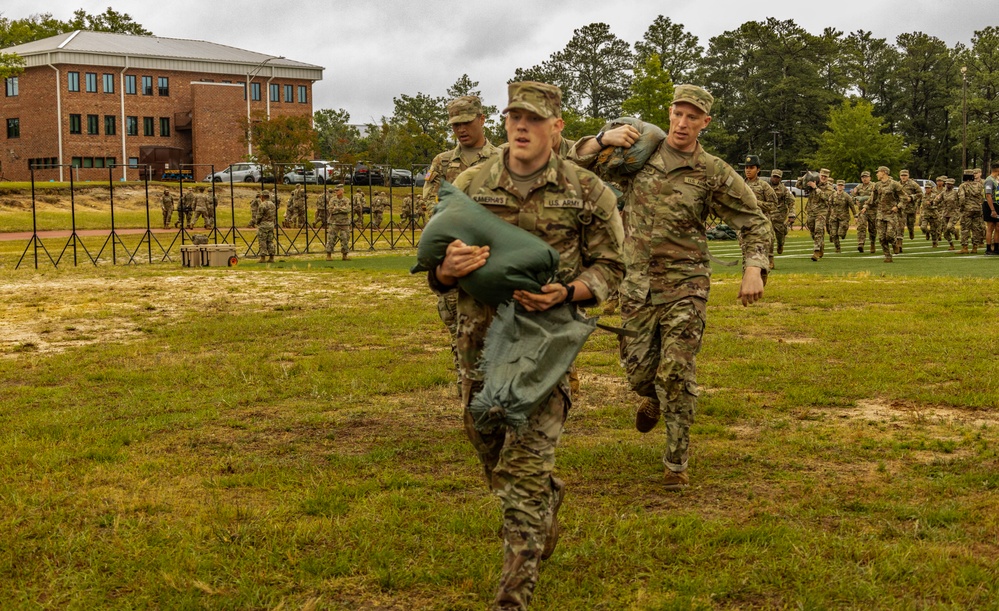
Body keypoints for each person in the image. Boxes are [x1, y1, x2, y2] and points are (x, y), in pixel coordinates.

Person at [432, 81, 624, 610]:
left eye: (534, 119)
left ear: (557, 128)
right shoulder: (470, 183)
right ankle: (547, 497)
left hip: (545, 356)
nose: (521, 126)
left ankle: (511, 599)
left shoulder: (587, 191)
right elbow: (436, 264)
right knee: (493, 457)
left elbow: (613, 267)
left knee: (519, 482)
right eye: (515, 116)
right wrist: (447, 271)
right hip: (480, 351)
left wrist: (571, 290)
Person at [570, 84, 770, 492]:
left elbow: (754, 221)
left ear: (704, 123)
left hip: (686, 283)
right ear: (669, 114)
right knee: (641, 373)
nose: (683, 123)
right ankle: (653, 396)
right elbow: (576, 167)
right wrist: (602, 138)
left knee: (676, 371)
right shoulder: (639, 157)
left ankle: (676, 463)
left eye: (692, 117)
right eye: (678, 114)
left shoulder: (712, 171)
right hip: (637, 286)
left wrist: (754, 268)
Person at [424, 95, 503, 394]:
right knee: (462, 334)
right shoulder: (443, 163)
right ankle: (470, 402)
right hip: (456, 260)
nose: (460, 129)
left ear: (482, 119)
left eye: (466, 122)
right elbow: (429, 206)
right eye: (455, 124)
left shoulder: (502, 157)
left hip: (495, 259)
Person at [742, 155, 777, 267]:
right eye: (746, 167)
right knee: (746, 252)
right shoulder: (740, 185)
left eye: (751, 167)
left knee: (761, 252)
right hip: (745, 223)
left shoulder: (764, 186)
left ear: (758, 169)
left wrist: (756, 203)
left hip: (761, 224)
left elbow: (773, 205)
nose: (748, 170)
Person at [868, 166, 906, 263]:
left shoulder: (894, 184)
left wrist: (898, 206)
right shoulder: (877, 185)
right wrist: (865, 206)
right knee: (881, 237)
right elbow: (872, 199)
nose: (877, 174)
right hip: (880, 213)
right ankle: (887, 255)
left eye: (878, 172)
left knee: (889, 235)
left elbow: (904, 197)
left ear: (884, 172)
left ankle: (894, 243)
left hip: (891, 214)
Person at [797, 168, 833, 261]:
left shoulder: (829, 187)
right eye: (822, 176)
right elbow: (798, 185)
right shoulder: (813, 182)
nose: (823, 178)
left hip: (821, 211)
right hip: (811, 211)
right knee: (812, 230)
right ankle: (820, 244)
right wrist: (804, 177)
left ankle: (816, 252)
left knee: (818, 229)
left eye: (825, 176)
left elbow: (825, 197)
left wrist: (815, 188)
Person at [769, 169, 795, 256]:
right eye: (774, 176)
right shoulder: (765, 186)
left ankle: (780, 244)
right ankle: (770, 257)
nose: (775, 179)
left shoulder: (784, 189)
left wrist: (792, 215)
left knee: (780, 235)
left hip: (779, 215)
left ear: (780, 179)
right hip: (767, 214)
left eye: (777, 177)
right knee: (769, 236)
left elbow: (791, 202)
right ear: (771, 176)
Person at [959, 169, 985, 254]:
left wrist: (962, 207)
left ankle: (965, 247)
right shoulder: (979, 185)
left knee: (965, 228)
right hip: (977, 209)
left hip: (967, 209)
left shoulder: (963, 186)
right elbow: (982, 197)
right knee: (976, 229)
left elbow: (962, 198)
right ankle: (975, 247)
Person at [828, 180, 857, 253]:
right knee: (834, 234)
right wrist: (827, 216)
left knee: (840, 233)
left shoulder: (846, 196)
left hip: (843, 218)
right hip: (834, 217)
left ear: (843, 187)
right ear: (836, 186)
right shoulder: (833, 195)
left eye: (841, 185)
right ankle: (837, 248)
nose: (840, 187)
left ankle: (844, 232)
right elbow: (829, 206)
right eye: (839, 185)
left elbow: (852, 206)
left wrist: (855, 216)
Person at [325, 185, 352, 261]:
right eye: (335, 190)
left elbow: (348, 210)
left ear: (342, 190)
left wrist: (336, 208)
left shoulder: (346, 200)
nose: (336, 192)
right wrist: (341, 208)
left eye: (337, 190)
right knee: (331, 238)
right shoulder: (332, 200)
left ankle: (344, 255)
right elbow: (330, 210)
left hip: (344, 223)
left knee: (345, 239)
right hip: (334, 222)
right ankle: (329, 255)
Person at [852, 171, 876, 253]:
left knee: (872, 229)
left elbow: (876, 197)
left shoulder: (874, 186)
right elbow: (853, 197)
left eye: (866, 177)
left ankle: (872, 243)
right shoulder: (858, 187)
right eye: (863, 177)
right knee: (861, 226)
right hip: (862, 211)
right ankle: (860, 243)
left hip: (872, 210)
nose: (864, 179)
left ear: (870, 177)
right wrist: (856, 201)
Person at [898, 169, 922, 243]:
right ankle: (899, 241)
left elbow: (920, 194)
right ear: (900, 176)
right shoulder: (897, 184)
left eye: (905, 175)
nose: (903, 177)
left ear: (908, 176)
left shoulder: (913, 184)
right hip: (901, 208)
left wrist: (911, 197)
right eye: (902, 175)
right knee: (900, 225)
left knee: (910, 224)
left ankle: (911, 231)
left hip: (911, 208)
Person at [256, 191, 276, 263]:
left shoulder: (262, 205)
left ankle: (263, 257)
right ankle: (271, 257)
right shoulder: (273, 204)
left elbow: (259, 216)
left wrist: (257, 222)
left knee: (262, 241)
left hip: (263, 225)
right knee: (270, 240)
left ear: (262, 196)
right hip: (271, 224)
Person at [940, 178, 960, 250]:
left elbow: (961, 200)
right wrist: (931, 202)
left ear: (952, 185)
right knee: (945, 231)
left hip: (954, 212)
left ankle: (955, 232)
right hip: (945, 213)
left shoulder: (956, 193)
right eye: (947, 184)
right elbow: (937, 199)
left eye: (949, 184)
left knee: (949, 227)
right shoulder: (943, 193)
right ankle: (951, 244)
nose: (948, 185)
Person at [985, 162, 999, 255]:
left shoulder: (995, 179)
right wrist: (992, 210)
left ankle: (997, 248)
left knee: (998, 227)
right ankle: (988, 248)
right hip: (990, 205)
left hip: (996, 204)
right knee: (990, 227)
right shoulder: (989, 180)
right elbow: (988, 195)